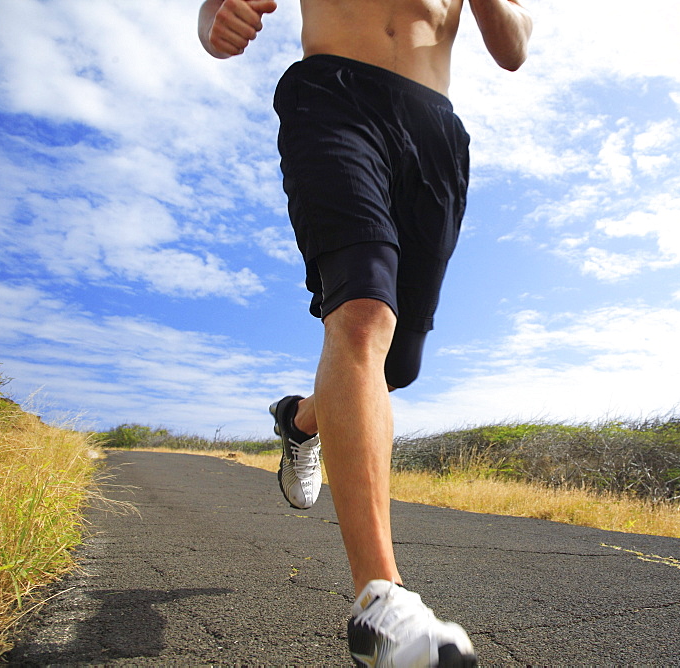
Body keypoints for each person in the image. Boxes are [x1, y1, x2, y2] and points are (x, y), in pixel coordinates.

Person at [198, 1, 531, 665]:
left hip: (433, 129)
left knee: (392, 366)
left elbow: (514, 45)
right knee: (363, 314)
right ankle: (380, 604)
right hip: (333, 99)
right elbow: (217, 10)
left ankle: (303, 421)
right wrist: (216, 18)